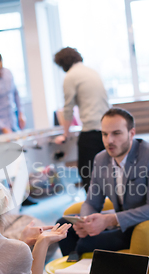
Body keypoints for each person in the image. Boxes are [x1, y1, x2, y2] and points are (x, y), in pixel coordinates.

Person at [57, 108, 149, 257]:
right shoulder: (101, 159)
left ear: (132, 133)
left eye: (116, 133)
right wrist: (86, 222)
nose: (109, 140)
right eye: (105, 134)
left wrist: (109, 220)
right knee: (64, 227)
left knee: (88, 243)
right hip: (123, 220)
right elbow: (92, 202)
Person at [53, 47, 110, 192]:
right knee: (106, 171)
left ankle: (93, 207)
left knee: (86, 171)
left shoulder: (70, 76)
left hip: (92, 129)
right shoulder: (91, 71)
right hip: (107, 128)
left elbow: (68, 108)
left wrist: (65, 134)